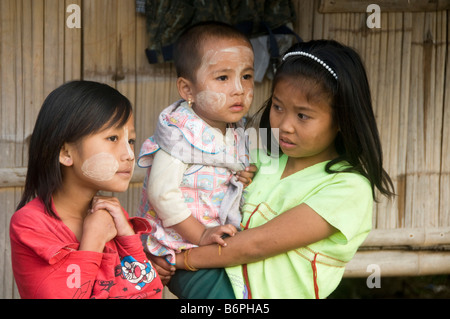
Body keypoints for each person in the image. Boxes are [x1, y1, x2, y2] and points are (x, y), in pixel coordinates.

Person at [173, 39, 396, 299]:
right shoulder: (259, 150)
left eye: (303, 115)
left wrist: (179, 261)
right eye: (278, 107)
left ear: (341, 120)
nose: (285, 125)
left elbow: (257, 244)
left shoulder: (348, 187)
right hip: (211, 278)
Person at [10, 81, 163, 299]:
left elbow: (151, 293)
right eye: (113, 138)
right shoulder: (30, 225)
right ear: (65, 153)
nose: (129, 154)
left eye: (131, 140)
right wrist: (94, 240)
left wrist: (128, 236)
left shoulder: (112, 217)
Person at [136, 21, 256, 297]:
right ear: (187, 90)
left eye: (247, 76)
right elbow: (161, 193)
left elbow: (227, 171)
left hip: (218, 246)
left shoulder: (235, 130)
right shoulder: (180, 135)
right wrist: (200, 234)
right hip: (181, 247)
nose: (239, 89)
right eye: (223, 78)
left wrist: (243, 175)